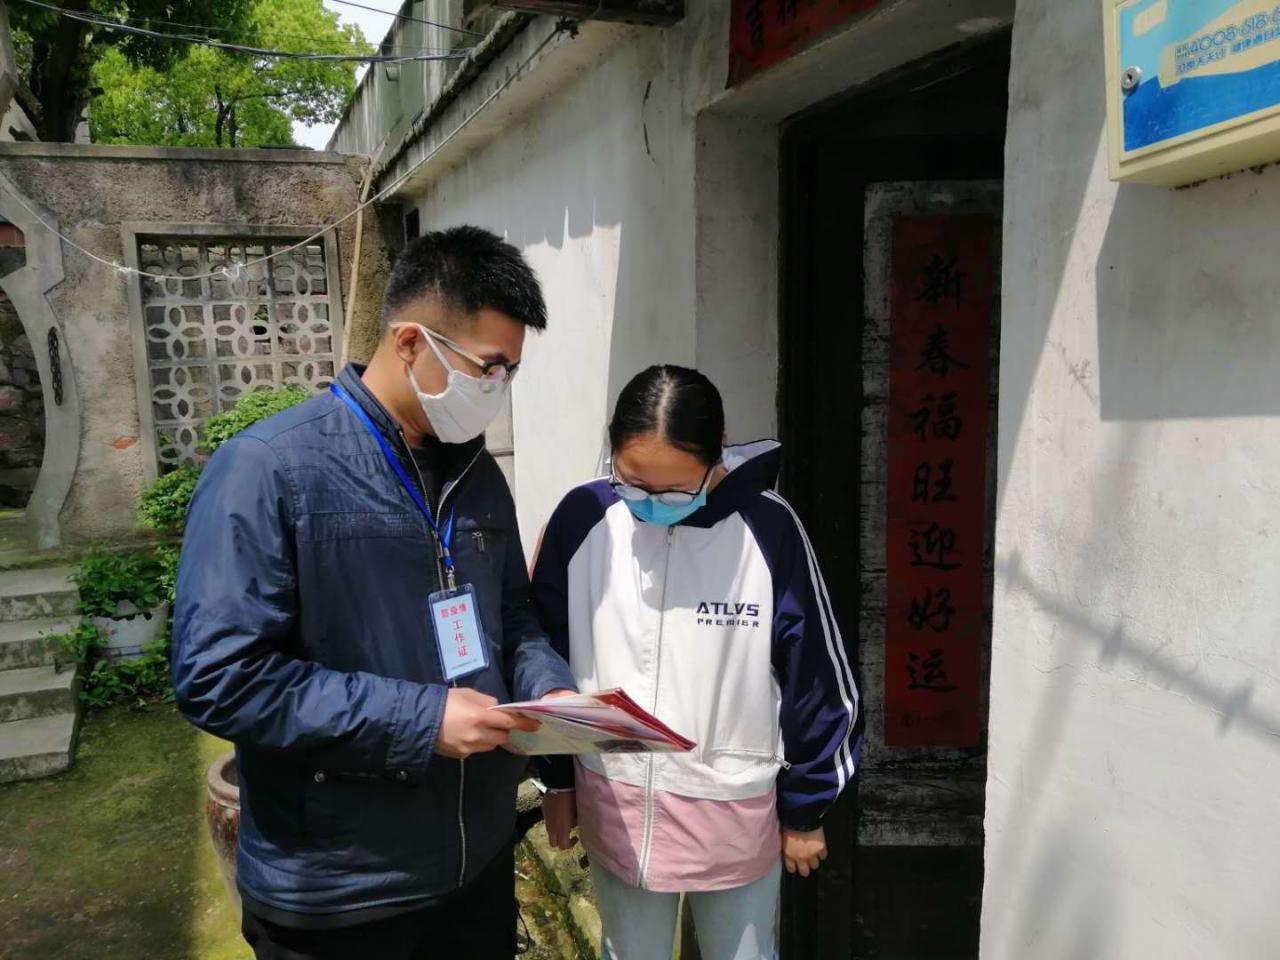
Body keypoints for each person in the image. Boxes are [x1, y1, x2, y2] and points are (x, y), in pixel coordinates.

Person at [171, 226, 576, 959]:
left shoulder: (476, 475)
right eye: (488, 367)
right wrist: (421, 719)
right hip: (342, 890)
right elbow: (219, 677)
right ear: (411, 342)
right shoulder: (269, 469)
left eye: (510, 370)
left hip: (475, 865)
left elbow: (512, 615)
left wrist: (548, 693)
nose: (498, 387)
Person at [531, 365, 862, 960]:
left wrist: (806, 810)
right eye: (634, 484)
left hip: (731, 808)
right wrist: (556, 778)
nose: (653, 505)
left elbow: (817, 675)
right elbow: (545, 652)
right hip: (615, 801)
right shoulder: (583, 517)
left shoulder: (768, 528)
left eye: (677, 491)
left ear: (717, 457)